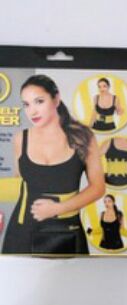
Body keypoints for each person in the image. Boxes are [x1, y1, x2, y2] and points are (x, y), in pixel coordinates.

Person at [0, 74, 105, 255]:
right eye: (26, 105)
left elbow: (98, 188)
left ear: (56, 99)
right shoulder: (20, 139)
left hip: (66, 231)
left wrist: (58, 208)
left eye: (39, 101)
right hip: (22, 231)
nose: (32, 111)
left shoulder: (83, 136)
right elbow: (20, 184)